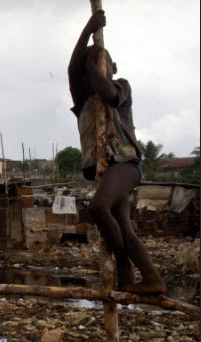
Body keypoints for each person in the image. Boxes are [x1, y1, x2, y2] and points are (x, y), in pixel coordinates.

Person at [68, 9, 165, 295]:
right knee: (125, 228)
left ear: (113, 67)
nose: (94, 71)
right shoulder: (83, 99)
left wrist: (94, 68)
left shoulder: (121, 87)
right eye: (90, 68)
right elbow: (72, 68)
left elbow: (107, 93)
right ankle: (150, 279)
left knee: (98, 208)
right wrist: (88, 29)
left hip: (125, 165)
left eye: (102, 64)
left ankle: (124, 265)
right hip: (108, 171)